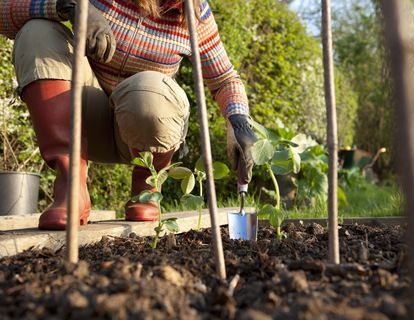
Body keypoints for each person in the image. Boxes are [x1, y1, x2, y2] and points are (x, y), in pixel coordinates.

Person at [0, 0, 257, 229]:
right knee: (37, 33)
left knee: (150, 88)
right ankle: (71, 187)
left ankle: (146, 187)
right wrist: (65, 5)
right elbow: (5, 11)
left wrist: (238, 120)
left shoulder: (193, 14)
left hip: (144, 131)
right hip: (81, 122)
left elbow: (224, 80)